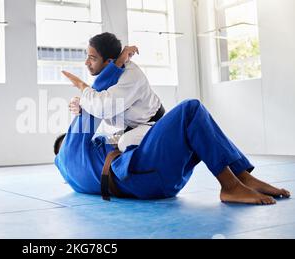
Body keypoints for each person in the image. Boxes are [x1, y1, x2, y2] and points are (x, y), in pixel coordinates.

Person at [53, 99, 291, 205]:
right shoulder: (66, 153)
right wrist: (81, 101)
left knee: (194, 127)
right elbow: (95, 101)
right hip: (140, 174)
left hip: (157, 184)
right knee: (190, 110)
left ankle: (242, 178)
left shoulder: (76, 180)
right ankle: (231, 185)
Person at [62, 32, 165, 152]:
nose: (86, 63)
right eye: (87, 56)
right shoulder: (110, 74)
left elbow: (102, 107)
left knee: (124, 143)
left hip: (152, 125)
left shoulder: (131, 76)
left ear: (109, 61)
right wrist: (82, 105)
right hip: (132, 127)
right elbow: (102, 103)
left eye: (92, 58)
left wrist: (81, 85)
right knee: (103, 144)